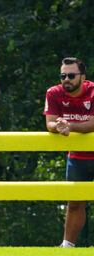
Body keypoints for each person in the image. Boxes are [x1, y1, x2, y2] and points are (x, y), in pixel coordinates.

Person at [44, 57, 94, 248]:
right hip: (77, 157)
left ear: (83, 77)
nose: (66, 79)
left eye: (71, 75)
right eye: (63, 75)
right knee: (74, 203)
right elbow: (50, 122)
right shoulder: (53, 93)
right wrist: (58, 126)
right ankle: (67, 246)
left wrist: (70, 125)